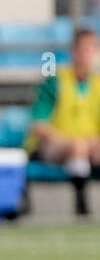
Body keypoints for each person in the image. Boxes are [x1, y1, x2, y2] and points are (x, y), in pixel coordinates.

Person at [26, 27, 100, 216]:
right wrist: (70, 140)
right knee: (78, 147)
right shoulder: (54, 80)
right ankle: (81, 204)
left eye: (90, 49)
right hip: (54, 144)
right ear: (73, 51)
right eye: (81, 49)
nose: (85, 55)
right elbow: (39, 125)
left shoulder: (97, 84)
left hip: (89, 143)